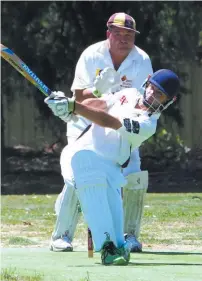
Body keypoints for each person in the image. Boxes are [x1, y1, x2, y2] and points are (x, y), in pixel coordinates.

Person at [45, 69, 180, 265]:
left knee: (119, 239)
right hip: (81, 154)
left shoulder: (147, 124)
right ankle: (106, 248)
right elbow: (100, 104)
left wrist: (74, 106)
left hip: (110, 168)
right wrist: (68, 105)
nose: (152, 95)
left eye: (159, 94)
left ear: (169, 101)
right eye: (152, 88)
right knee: (89, 173)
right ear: (148, 81)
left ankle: (114, 244)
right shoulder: (130, 93)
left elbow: (110, 121)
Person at [51, 12, 153, 253]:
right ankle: (61, 235)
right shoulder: (92, 55)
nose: (123, 39)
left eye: (128, 35)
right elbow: (77, 97)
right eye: (118, 34)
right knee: (78, 179)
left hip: (119, 126)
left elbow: (141, 100)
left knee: (134, 175)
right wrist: (97, 90)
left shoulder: (142, 60)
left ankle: (129, 235)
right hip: (84, 125)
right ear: (109, 34)